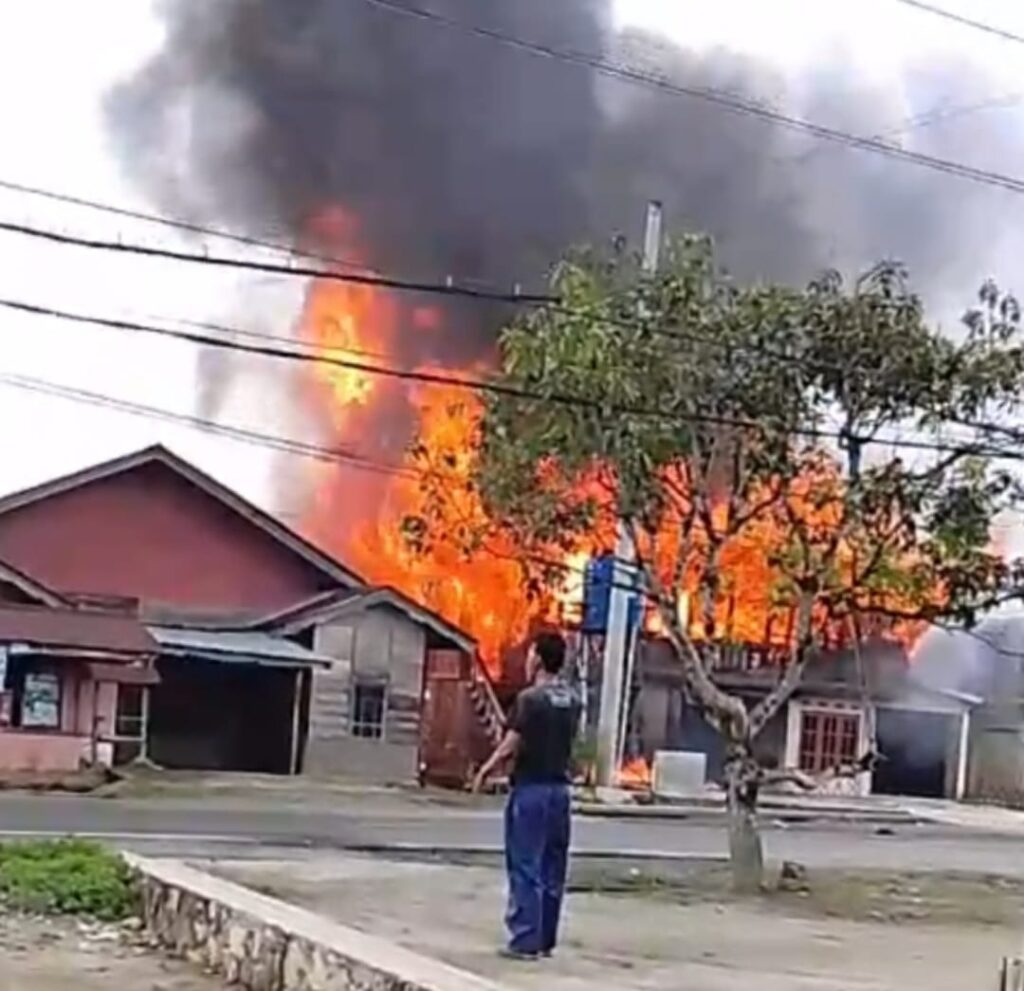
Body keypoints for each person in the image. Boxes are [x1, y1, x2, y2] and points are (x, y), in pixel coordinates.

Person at [472, 631, 580, 960]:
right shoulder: (574, 699)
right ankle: (545, 938)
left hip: (531, 789)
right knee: (552, 867)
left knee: (525, 864)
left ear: (537, 658)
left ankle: (525, 939)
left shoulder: (530, 700)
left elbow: (511, 743)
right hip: (561, 791)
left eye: (531, 653)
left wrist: (486, 769)